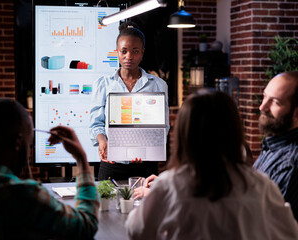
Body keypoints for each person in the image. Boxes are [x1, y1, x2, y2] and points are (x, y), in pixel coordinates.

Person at [125, 89, 298, 240]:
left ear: (184, 134)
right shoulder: (262, 184)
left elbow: (136, 231)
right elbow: (289, 234)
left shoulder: (169, 184)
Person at [0, 98, 99, 239]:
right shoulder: (25, 195)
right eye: (28, 144)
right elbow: (86, 225)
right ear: (17, 142)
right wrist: (81, 159)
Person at [89, 21, 169, 180]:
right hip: (112, 163)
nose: (129, 57)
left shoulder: (158, 84)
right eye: (124, 51)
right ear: (117, 52)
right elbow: (96, 124)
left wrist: (148, 148)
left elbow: (163, 126)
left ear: (142, 53)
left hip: (145, 164)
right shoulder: (103, 84)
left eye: (135, 51)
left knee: (146, 205)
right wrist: (102, 140)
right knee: (107, 204)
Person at [253, 71, 298, 220]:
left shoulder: (289, 163)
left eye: (275, 102)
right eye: (265, 97)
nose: (262, 107)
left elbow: (267, 225)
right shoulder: (273, 145)